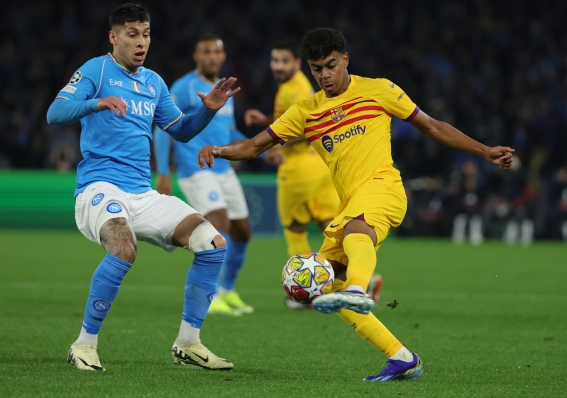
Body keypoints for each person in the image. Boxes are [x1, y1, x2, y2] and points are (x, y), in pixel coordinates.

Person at [197, 28, 514, 381]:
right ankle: (402, 357)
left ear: (345, 59)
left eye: (331, 65)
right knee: (327, 285)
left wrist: (485, 150)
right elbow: (256, 145)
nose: (325, 75)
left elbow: (433, 127)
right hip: (350, 201)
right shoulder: (306, 111)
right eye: (317, 69)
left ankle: (359, 289)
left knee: (355, 232)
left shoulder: (379, 89)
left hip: (384, 189)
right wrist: (220, 150)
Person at [46, 3, 240, 371]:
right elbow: (55, 113)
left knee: (212, 242)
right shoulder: (96, 69)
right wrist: (96, 103)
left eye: (146, 34)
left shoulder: (153, 82)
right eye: (132, 34)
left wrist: (209, 109)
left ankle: (189, 343)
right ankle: (84, 345)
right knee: (124, 248)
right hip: (99, 188)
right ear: (113, 36)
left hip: (143, 193)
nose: (141, 42)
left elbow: (181, 130)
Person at [244, 42, 382, 309]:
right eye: (275, 60)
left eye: (284, 61)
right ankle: (365, 277)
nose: (278, 66)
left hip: (297, 171)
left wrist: (274, 146)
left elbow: (302, 129)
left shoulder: (292, 89)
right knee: (332, 231)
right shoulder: (302, 87)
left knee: (295, 230)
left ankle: (303, 291)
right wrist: (266, 121)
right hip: (320, 169)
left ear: (297, 63)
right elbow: (290, 121)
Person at [154, 34, 253, 316]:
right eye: (206, 52)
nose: (212, 57)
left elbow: (228, 131)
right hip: (195, 167)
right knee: (218, 219)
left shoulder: (225, 90)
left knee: (243, 231)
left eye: (216, 52)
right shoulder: (184, 87)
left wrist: (259, 146)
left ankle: (228, 290)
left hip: (223, 168)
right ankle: (211, 295)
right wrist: (162, 171)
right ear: (196, 57)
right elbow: (162, 128)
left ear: (223, 57)